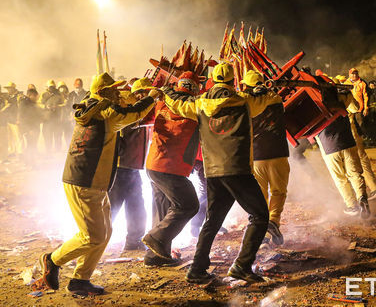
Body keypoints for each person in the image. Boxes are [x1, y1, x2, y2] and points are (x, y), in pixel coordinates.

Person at [34, 72, 157, 296]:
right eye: (113, 90)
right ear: (102, 92)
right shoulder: (106, 111)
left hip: (94, 181)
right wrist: (152, 97)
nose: (117, 93)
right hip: (85, 181)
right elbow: (135, 114)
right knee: (92, 236)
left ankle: (80, 279)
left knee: (105, 232)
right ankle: (53, 259)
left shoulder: (96, 107)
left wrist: (128, 96)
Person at [164, 63, 281, 284]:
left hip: (213, 171)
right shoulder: (245, 101)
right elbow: (268, 98)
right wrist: (262, 88)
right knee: (260, 216)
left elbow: (177, 103)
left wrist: (165, 90)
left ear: (213, 81)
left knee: (213, 220)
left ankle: (197, 269)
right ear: (232, 81)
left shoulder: (199, 103)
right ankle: (241, 266)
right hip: (237, 169)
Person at [137, 73, 201, 267]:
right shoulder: (194, 107)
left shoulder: (162, 103)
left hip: (153, 165)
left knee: (162, 210)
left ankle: (155, 256)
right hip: (172, 167)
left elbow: (142, 118)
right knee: (188, 205)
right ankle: (156, 238)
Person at [241, 71, 290, 245]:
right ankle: (274, 221)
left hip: (257, 156)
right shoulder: (276, 99)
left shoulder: (245, 102)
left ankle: (260, 231)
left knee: (260, 196)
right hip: (279, 153)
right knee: (279, 191)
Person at [314, 81, 371, 219]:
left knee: (340, 179)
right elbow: (356, 108)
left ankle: (352, 206)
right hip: (348, 142)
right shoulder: (341, 97)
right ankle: (362, 197)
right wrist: (348, 95)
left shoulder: (312, 102)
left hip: (329, 148)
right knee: (355, 174)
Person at [108, 81, 149, 252]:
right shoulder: (129, 110)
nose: (146, 96)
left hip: (132, 166)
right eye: (144, 93)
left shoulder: (140, 109)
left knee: (136, 204)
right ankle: (94, 239)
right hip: (122, 166)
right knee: (113, 205)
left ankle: (134, 240)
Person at [18, 88, 42, 164]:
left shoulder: (32, 103)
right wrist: (29, 129)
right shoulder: (24, 103)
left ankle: (31, 161)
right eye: (35, 96)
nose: (36, 98)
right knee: (30, 145)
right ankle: (28, 162)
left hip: (34, 127)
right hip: (28, 129)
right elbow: (24, 118)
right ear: (30, 95)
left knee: (33, 145)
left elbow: (35, 115)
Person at [39, 80, 64, 152]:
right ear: (47, 87)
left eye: (52, 87)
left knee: (58, 136)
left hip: (57, 119)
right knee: (47, 136)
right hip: (47, 119)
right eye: (50, 87)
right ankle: (48, 151)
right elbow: (38, 104)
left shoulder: (59, 94)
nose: (51, 88)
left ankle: (58, 152)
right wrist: (46, 107)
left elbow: (64, 103)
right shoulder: (43, 94)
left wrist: (57, 106)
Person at [4, 82, 22, 157]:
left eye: (9, 88)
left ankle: (20, 152)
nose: (8, 90)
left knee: (18, 136)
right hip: (8, 119)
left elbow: (20, 109)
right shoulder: (8, 96)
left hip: (15, 119)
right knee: (10, 137)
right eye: (7, 88)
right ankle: (12, 151)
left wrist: (18, 119)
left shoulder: (19, 96)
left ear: (13, 88)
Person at [57, 81, 73, 146]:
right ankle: (58, 148)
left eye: (63, 87)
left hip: (67, 119)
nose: (62, 89)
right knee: (59, 135)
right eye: (60, 87)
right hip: (59, 119)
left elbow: (71, 105)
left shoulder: (69, 96)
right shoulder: (57, 97)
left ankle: (68, 147)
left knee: (68, 134)